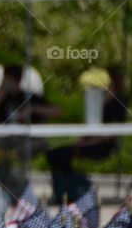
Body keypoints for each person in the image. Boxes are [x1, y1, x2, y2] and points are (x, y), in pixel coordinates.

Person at [45, 67, 126, 202]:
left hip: (100, 146)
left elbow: (109, 135)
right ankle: (69, 190)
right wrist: (81, 141)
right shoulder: (99, 100)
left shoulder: (117, 103)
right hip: (90, 143)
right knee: (55, 154)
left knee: (58, 155)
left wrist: (85, 143)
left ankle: (74, 190)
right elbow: (91, 127)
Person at [0, 65, 61, 201]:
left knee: (17, 156)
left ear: (17, 81)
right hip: (1, 141)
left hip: (24, 141)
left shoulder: (28, 97)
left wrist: (32, 109)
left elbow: (57, 111)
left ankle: (16, 190)